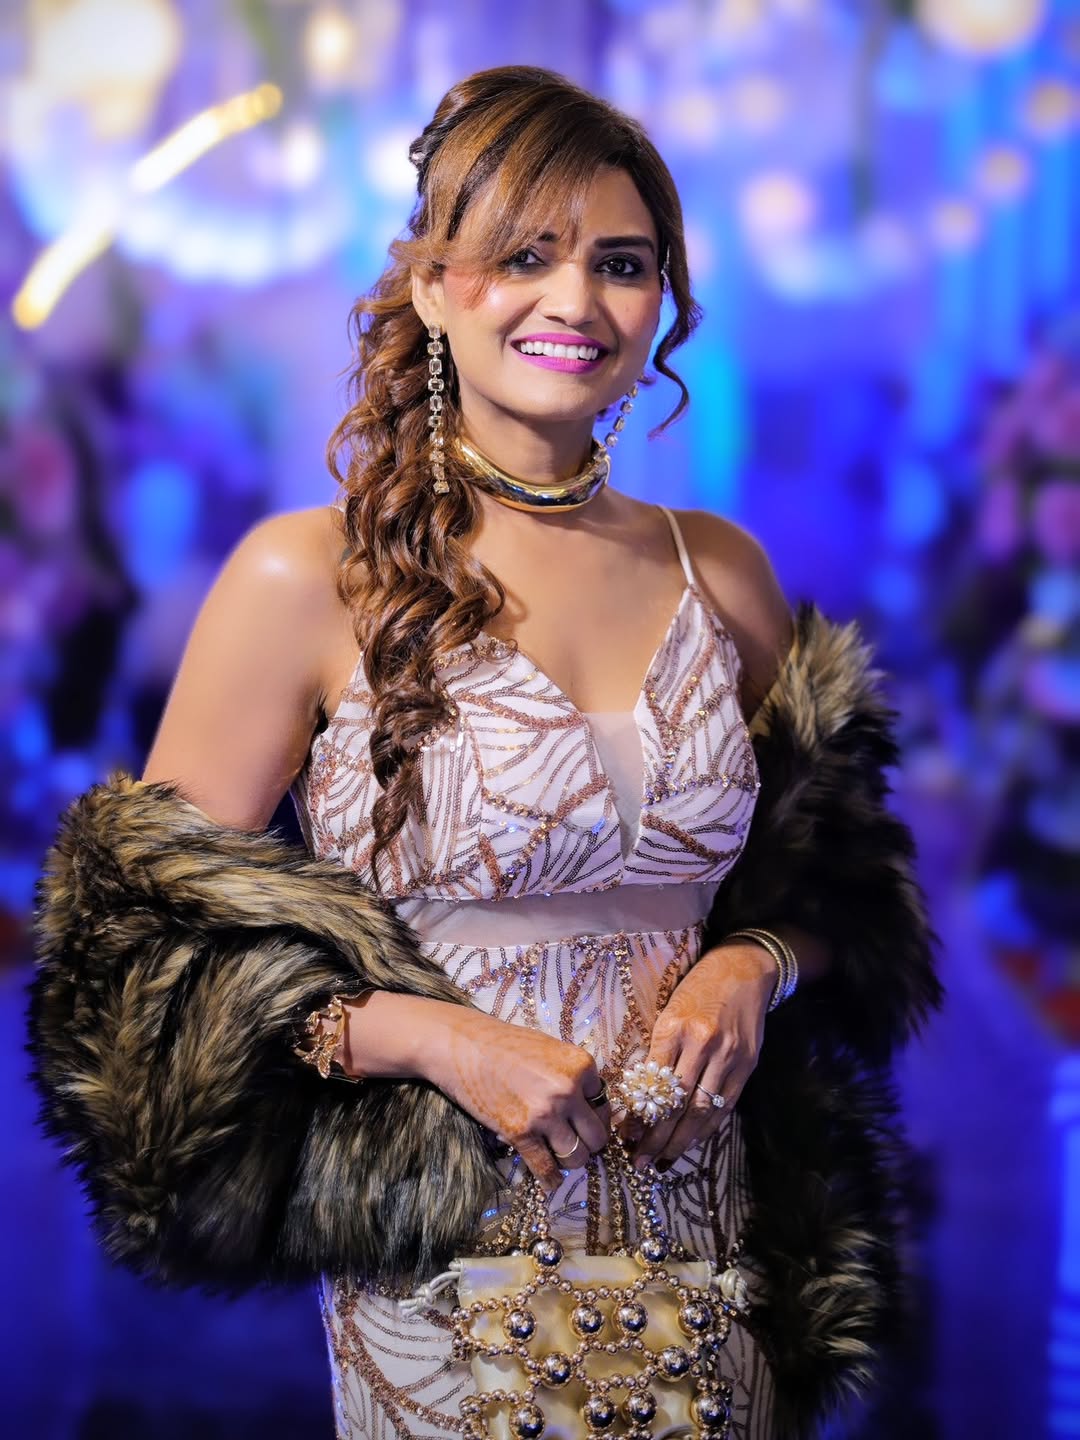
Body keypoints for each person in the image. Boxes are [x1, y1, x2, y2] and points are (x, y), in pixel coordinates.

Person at [29, 66, 942, 1440]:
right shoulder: (306, 578)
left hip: (715, 1238)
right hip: (448, 1253)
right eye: (525, 255)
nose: (576, 301)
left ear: (663, 305)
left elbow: (848, 887)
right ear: (433, 287)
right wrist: (440, 1039)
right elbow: (136, 952)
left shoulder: (724, 574)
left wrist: (755, 964)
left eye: (620, 264)